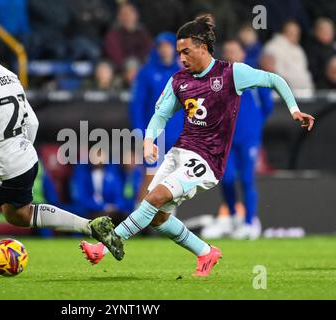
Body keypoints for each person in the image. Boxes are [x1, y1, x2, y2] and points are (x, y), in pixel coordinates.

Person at [80, 15, 314, 276]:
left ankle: (105, 246)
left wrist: (294, 110)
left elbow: (274, 80)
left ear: (203, 47)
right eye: (179, 52)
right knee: (157, 217)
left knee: (155, 197)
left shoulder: (231, 73)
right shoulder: (179, 81)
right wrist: (148, 141)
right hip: (179, 152)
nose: (181, 58)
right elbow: (161, 115)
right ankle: (205, 252)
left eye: (186, 52)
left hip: (207, 160)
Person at [0, 25, 122, 283]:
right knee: (18, 214)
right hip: (28, 161)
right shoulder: (11, 76)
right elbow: (34, 122)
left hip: (5, 169)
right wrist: (21, 149)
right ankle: (89, 225)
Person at [201, 39, 274, 240]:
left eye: (235, 51)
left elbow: (267, 106)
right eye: (227, 51)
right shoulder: (216, 78)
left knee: (247, 178)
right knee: (227, 177)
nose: (231, 55)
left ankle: (251, 222)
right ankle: (234, 217)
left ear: (243, 53)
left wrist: (253, 125)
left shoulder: (254, 76)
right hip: (225, 138)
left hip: (248, 138)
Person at [128, 31, 183, 203]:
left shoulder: (182, 73)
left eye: (167, 46)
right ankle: (136, 217)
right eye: (161, 46)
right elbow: (137, 106)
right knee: (150, 175)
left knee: (173, 180)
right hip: (155, 135)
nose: (164, 50)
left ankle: (166, 219)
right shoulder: (146, 73)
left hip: (177, 135)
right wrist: (140, 133)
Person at [263, 20, 314, 95]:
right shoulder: (272, 47)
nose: (295, 35)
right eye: (291, 32)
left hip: (304, 91)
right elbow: (271, 71)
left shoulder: (298, 49)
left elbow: (303, 71)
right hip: (283, 93)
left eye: (297, 32)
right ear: (284, 31)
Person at [103, 2, 152, 71]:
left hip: (140, 65)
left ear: (136, 15)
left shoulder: (142, 32)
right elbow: (115, 56)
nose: (127, 17)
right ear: (119, 17)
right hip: (120, 67)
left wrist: (138, 62)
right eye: (124, 14)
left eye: (130, 14)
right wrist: (129, 65)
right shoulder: (113, 33)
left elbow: (148, 49)